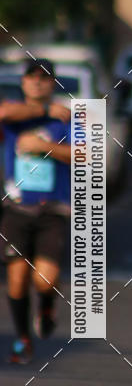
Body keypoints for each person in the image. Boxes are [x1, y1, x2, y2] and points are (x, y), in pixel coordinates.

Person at [0, 58, 71, 364]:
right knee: (16, 280)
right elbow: (3, 111)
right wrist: (43, 112)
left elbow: (88, 155)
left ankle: (46, 304)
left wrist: (43, 147)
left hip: (53, 210)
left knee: (44, 280)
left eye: (45, 77)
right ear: (23, 82)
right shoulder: (15, 115)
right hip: (15, 209)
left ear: (53, 83)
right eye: (32, 77)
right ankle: (23, 339)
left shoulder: (68, 118)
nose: (38, 82)